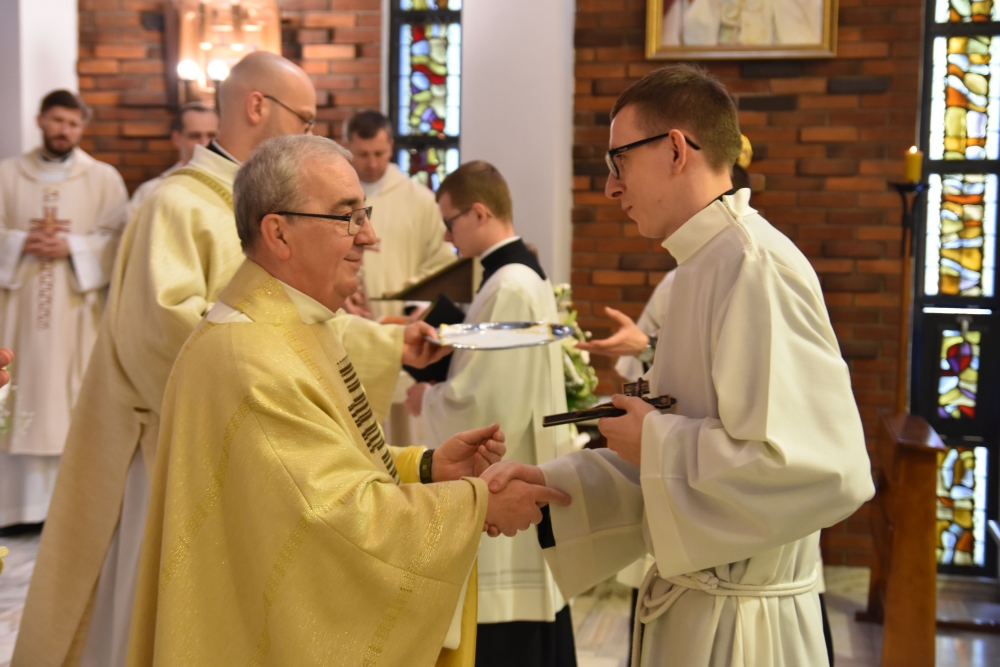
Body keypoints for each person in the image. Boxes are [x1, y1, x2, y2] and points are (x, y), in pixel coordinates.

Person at [126, 134, 569, 666]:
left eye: (365, 215)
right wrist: (478, 505)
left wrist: (427, 468)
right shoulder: (250, 356)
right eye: (348, 218)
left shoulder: (296, 325)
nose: (370, 237)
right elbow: (331, 519)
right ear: (279, 233)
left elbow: (333, 463)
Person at [484, 64, 874, 666]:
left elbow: (825, 472)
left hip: (745, 631)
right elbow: (674, 456)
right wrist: (550, 483)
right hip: (697, 606)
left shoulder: (754, 267)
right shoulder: (700, 266)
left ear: (674, 149)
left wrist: (658, 441)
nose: (610, 187)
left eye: (618, 161)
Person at [15, 52, 331, 667]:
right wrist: (279, 358)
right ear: (258, 105)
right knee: (159, 620)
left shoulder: (249, 204)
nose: (309, 135)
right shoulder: (178, 204)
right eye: (306, 119)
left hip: (242, 443)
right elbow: (162, 334)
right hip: (174, 452)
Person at [405, 162, 576, 667]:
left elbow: (489, 404)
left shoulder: (511, 285)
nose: (447, 235)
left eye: (450, 222)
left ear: (479, 213)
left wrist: (427, 398)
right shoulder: (514, 277)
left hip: (504, 475)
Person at [0, 90, 128, 529]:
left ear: (82, 128)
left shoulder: (103, 178)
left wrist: (74, 247)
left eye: (73, 124)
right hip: (18, 313)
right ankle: (14, 510)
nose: (64, 130)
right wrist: (18, 243)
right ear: (41, 120)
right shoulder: (7, 174)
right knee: (18, 398)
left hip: (76, 315)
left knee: (70, 402)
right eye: (57, 120)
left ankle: (67, 513)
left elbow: (119, 240)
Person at [343, 110, 457, 320]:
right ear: (347, 148)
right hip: (342, 322)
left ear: (391, 147)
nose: (372, 163)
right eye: (363, 154)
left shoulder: (422, 201)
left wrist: (413, 302)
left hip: (401, 324)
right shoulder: (332, 199)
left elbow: (442, 264)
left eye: (379, 153)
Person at [125, 102, 219, 220]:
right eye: (195, 136)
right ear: (177, 139)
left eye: (212, 135)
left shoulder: (235, 186)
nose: (205, 143)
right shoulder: (150, 192)